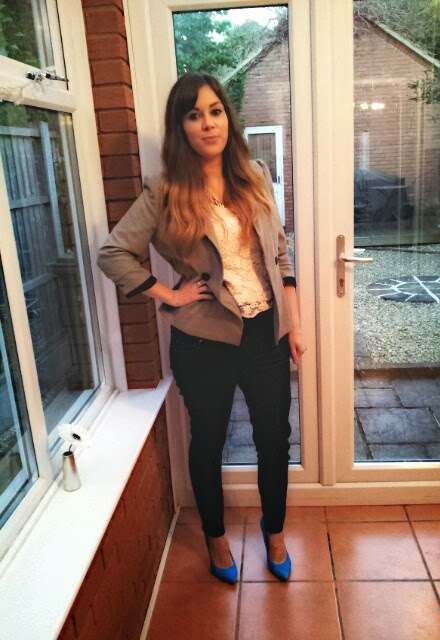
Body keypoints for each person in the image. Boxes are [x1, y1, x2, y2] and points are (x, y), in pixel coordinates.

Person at [98, 73, 306, 583]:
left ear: (227, 119)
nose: (208, 123)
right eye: (194, 115)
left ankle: (275, 532)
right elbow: (113, 253)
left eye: (215, 111)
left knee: (274, 440)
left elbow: (279, 254)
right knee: (208, 441)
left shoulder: (254, 175)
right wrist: (169, 294)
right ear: (181, 127)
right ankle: (216, 538)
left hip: (266, 334)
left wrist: (295, 325)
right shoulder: (165, 191)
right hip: (203, 341)